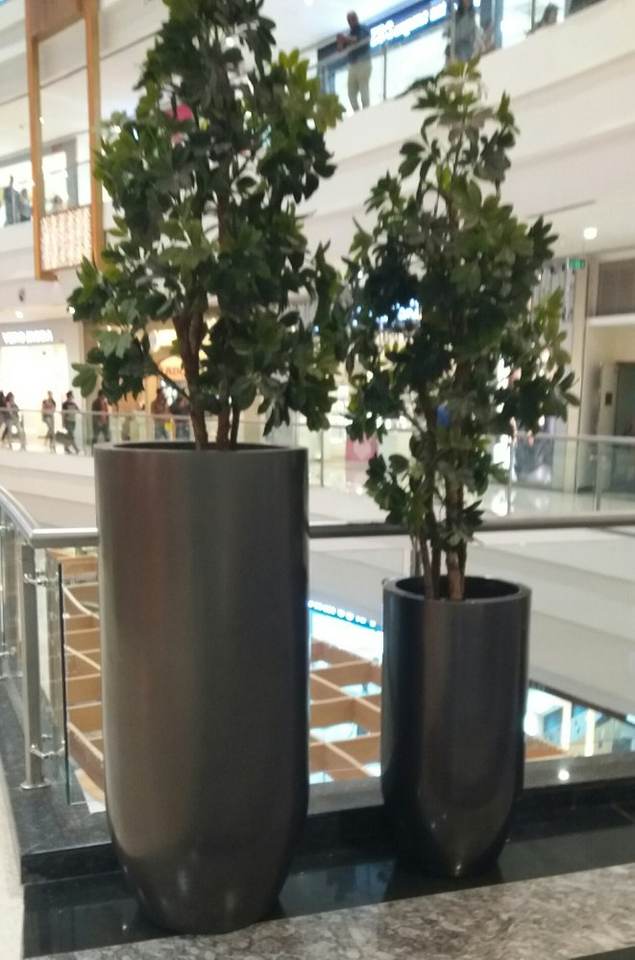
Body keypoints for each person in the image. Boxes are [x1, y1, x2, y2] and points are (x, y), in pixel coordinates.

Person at [337, 11, 372, 113]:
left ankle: (366, 112)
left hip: (363, 63)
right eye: (349, 20)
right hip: (353, 65)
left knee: (363, 88)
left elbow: (359, 39)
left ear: (356, 18)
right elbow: (340, 49)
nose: (351, 22)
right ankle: (357, 112)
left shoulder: (363, 28)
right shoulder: (350, 34)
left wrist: (345, 39)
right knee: (351, 92)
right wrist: (340, 41)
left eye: (352, 19)